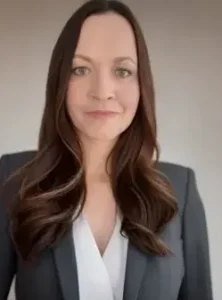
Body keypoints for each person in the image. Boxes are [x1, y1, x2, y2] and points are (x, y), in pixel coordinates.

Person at [0, 0, 213, 299]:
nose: (102, 91)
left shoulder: (181, 189)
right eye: (80, 69)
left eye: (122, 71)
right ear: (59, 80)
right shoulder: (13, 179)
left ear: (142, 84)